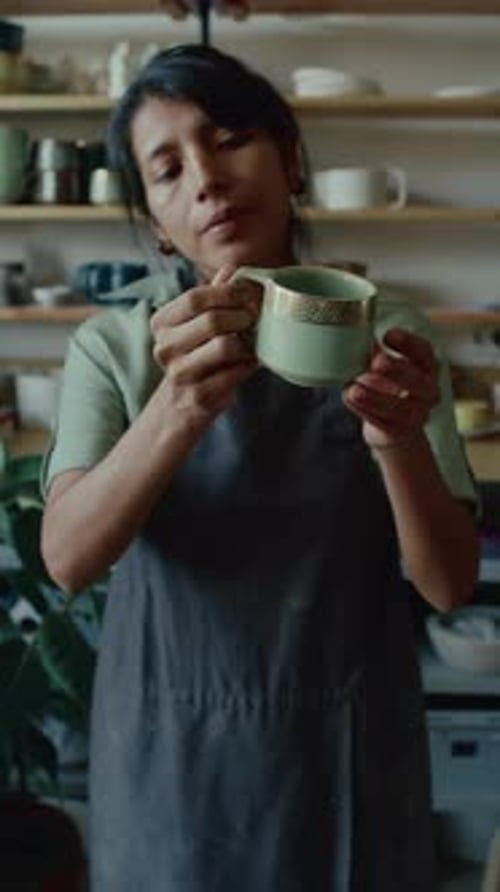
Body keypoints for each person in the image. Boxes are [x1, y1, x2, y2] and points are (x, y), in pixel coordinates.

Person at [41, 44, 479, 892]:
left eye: (230, 136)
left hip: (346, 756)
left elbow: (448, 582)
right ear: (154, 219)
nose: (205, 179)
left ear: (292, 158)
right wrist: (179, 407)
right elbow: (67, 557)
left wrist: (396, 437)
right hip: (173, 760)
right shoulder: (116, 345)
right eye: (166, 170)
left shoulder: (390, 334)